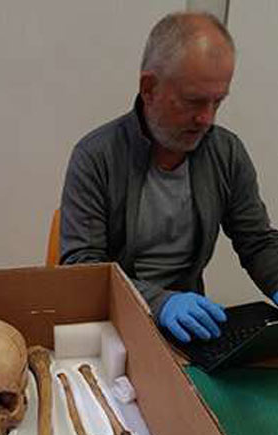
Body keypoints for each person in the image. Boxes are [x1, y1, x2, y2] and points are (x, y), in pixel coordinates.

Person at [60, 11, 278, 343]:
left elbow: (257, 242)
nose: (206, 119)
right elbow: (82, 269)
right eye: (193, 102)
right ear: (149, 88)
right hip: (115, 326)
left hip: (190, 329)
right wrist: (162, 304)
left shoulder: (227, 153)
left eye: (217, 102)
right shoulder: (95, 157)